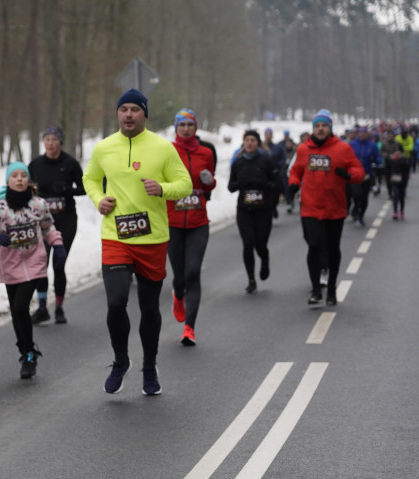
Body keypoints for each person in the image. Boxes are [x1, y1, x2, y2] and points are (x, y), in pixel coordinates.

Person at [83, 88, 192, 396]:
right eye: (123, 109)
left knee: (149, 306)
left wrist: (163, 188)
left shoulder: (163, 148)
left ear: (144, 114)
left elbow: (184, 184)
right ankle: (120, 360)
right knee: (116, 302)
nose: (128, 114)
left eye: (134, 109)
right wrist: (98, 199)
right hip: (116, 235)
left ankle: (149, 366)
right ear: (117, 114)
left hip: (153, 237)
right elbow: (89, 179)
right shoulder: (104, 148)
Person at [0, 162, 64, 379]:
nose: (20, 179)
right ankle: (26, 352)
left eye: (24, 175)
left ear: (29, 180)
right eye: (15, 175)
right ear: (8, 181)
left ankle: (30, 355)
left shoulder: (38, 205)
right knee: (17, 312)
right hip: (11, 266)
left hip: (35, 263)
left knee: (20, 306)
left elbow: (48, 227)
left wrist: (58, 244)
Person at [288, 109, 365, 306]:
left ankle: (331, 288)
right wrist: (293, 183)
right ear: (312, 129)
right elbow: (295, 171)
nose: (320, 129)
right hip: (311, 206)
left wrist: (348, 175)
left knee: (332, 249)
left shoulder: (343, 149)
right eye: (317, 126)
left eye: (324, 125)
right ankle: (315, 290)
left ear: (330, 128)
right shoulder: (303, 149)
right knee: (314, 245)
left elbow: (358, 171)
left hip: (334, 208)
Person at [165, 109, 216, 345]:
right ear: (176, 128)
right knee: (180, 277)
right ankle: (178, 294)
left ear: (196, 128)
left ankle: (189, 328)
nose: (186, 128)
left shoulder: (206, 152)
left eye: (190, 124)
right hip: (172, 223)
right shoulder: (167, 152)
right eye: (182, 124)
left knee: (193, 271)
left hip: (198, 222)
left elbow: (210, 186)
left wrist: (209, 182)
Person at [28, 126, 85, 324]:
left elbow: (85, 187)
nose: (50, 143)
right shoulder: (35, 164)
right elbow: (25, 189)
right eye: (47, 139)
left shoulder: (70, 163)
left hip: (66, 220)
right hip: (42, 222)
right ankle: (43, 307)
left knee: (58, 264)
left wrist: (68, 190)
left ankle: (59, 308)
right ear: (44, 142)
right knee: (41, 263)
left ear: (60, 141)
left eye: (54, 139)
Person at [228, 129, 280, 294]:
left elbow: (277, 184)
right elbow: (231, 186)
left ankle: (264, 259)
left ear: (258, 143)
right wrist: (240, 183)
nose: (250, 143)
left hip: (263, 210)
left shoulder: (266, 161)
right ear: (243, 143)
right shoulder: (237, 162)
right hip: (244, 210)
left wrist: (263, 184)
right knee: (248, 243)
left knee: (260, 244)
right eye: (247, 140)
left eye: (253, 140)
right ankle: (251, 279)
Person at [348, 126, 382, 227]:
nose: (362, 134)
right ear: (358, 134)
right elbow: (345, 157)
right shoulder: (352, 144)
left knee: (365, 198)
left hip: (367, 175)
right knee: (356, 194)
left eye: (364, 133)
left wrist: (377, 161)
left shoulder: (372, 145)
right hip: (354, 174)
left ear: (367, 134)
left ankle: (361, 215)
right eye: (361, 133)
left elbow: (378, 157)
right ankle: (355, 208)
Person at [384, 145, 411, 220]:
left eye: (398, 151)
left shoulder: (404, 160)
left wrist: (405, 181)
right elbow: (387, 170)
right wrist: (388, 178)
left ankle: (402, 211)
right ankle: (395, 212)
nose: (397, 153)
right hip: (394, 181)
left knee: (401, 197)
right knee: (395, 196)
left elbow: (407, 170)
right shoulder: (390, 160)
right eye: (395, 151)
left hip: (402, 181)